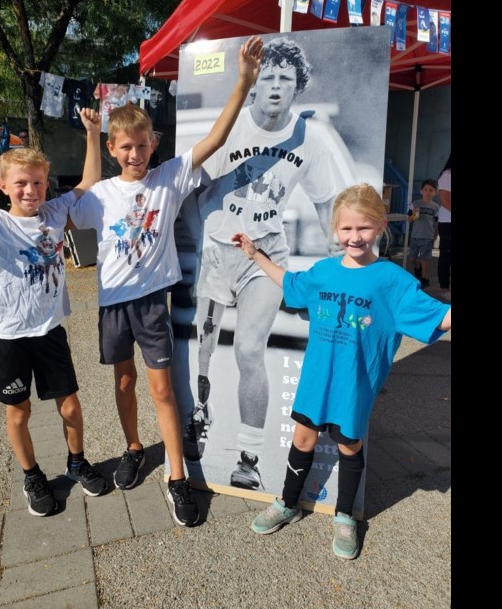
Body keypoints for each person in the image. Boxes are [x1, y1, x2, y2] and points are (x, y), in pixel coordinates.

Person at [68, 36, 265, 527]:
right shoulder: (104, 193)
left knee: (161, 390)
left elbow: (216, 139)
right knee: (124, 380)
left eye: (142, 144)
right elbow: (80, 198)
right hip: (113, 304)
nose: (136, 153)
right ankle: (134, 448)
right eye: (126, 147)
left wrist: (243, 82)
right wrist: (91, 137)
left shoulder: (170, 178)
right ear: (115, 150)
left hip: (153, 301)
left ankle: (177, 476)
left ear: (154, 144)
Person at [233, 183, 451, 559]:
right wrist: (256, 255)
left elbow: (440, 317)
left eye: (364, 228)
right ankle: (288, 502)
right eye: (347, 228)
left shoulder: (394, 281)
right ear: (336, 229)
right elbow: (288, 282)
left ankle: (346, 515)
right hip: (316, 380)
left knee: (350, 445)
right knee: (302, 440)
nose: (355, 237)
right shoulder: (323, 272)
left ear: (381, 227)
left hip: (354, 385)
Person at [187, 37, 358, 491]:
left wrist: (342, 271)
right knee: (202, 351)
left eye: (286, 78)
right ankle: (200, 409)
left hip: (263, 253)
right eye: (269, 77)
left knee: (248, 349)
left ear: (297, 86)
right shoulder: (230, 129)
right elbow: (188, 192)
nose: (277, 86)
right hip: (218, 249)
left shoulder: (310, 137)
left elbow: (330, 211)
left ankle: (248, 457)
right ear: (255, 84)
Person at [0, 108, 108, 517]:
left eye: (37, 182)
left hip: (50, 331)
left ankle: (77, 461)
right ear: (4, 186)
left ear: (46, 184)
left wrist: (93, 133)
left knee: (70, 406)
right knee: (19, 411)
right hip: (11, 336)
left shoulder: (52, 214)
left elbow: (89, 183)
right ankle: (32, 475)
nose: (30, 190)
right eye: (21, 183)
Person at [407, 179, 440, 287]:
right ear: (421, 191)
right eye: (425, 190)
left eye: (431, 190)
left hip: (428, 237)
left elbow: (437, 223)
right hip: (415, 236)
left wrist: (435, 236)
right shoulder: (415, 204)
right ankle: (417, 268)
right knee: (412, 258)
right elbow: (409, 219)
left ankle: (425, 278)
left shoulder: (436, 207)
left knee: (424, 259)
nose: (428, 192)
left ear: (435, 192)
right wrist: (414, 215)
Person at [437, 155, 451, 300]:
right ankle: (444, 289)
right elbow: (445, 201)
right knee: (446, 256)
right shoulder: (447, 175)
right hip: (448, 223)